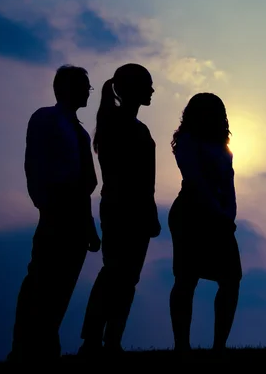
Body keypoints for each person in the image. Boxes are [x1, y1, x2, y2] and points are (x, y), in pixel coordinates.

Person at [9, 65, 100, 363]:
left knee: (63, 283)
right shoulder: (45, 118)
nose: (88, 91)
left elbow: (86, 184)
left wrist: (88, 225)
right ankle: (24, 348)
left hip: (75, 211)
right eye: (84, 86)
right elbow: (33, 164)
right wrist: (46, 205)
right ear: (66, 87)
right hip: (57, 208)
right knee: (41, 280)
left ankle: (47, 345)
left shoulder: (81, 132)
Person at [78, 63, 161, 357]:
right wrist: (145, 209)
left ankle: (110, 339)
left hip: (128, 209)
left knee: (125, 277)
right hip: (123, 209)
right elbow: (129, 177)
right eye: (147, 84)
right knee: (116, 274)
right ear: (132, 89)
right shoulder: (119, 125)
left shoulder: (129, 125)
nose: (152, 90)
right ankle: (95, 339)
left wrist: (148, 210)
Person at [168, 93, 242, 354]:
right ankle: (182, 346)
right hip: (191, 214)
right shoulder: (188, 141)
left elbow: (230, 183)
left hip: (220, 218)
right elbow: (195, 179)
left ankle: (219, 345)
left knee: (232, 278)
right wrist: (218, 213)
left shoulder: (224, 146)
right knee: (186, 279)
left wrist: (229, 214)